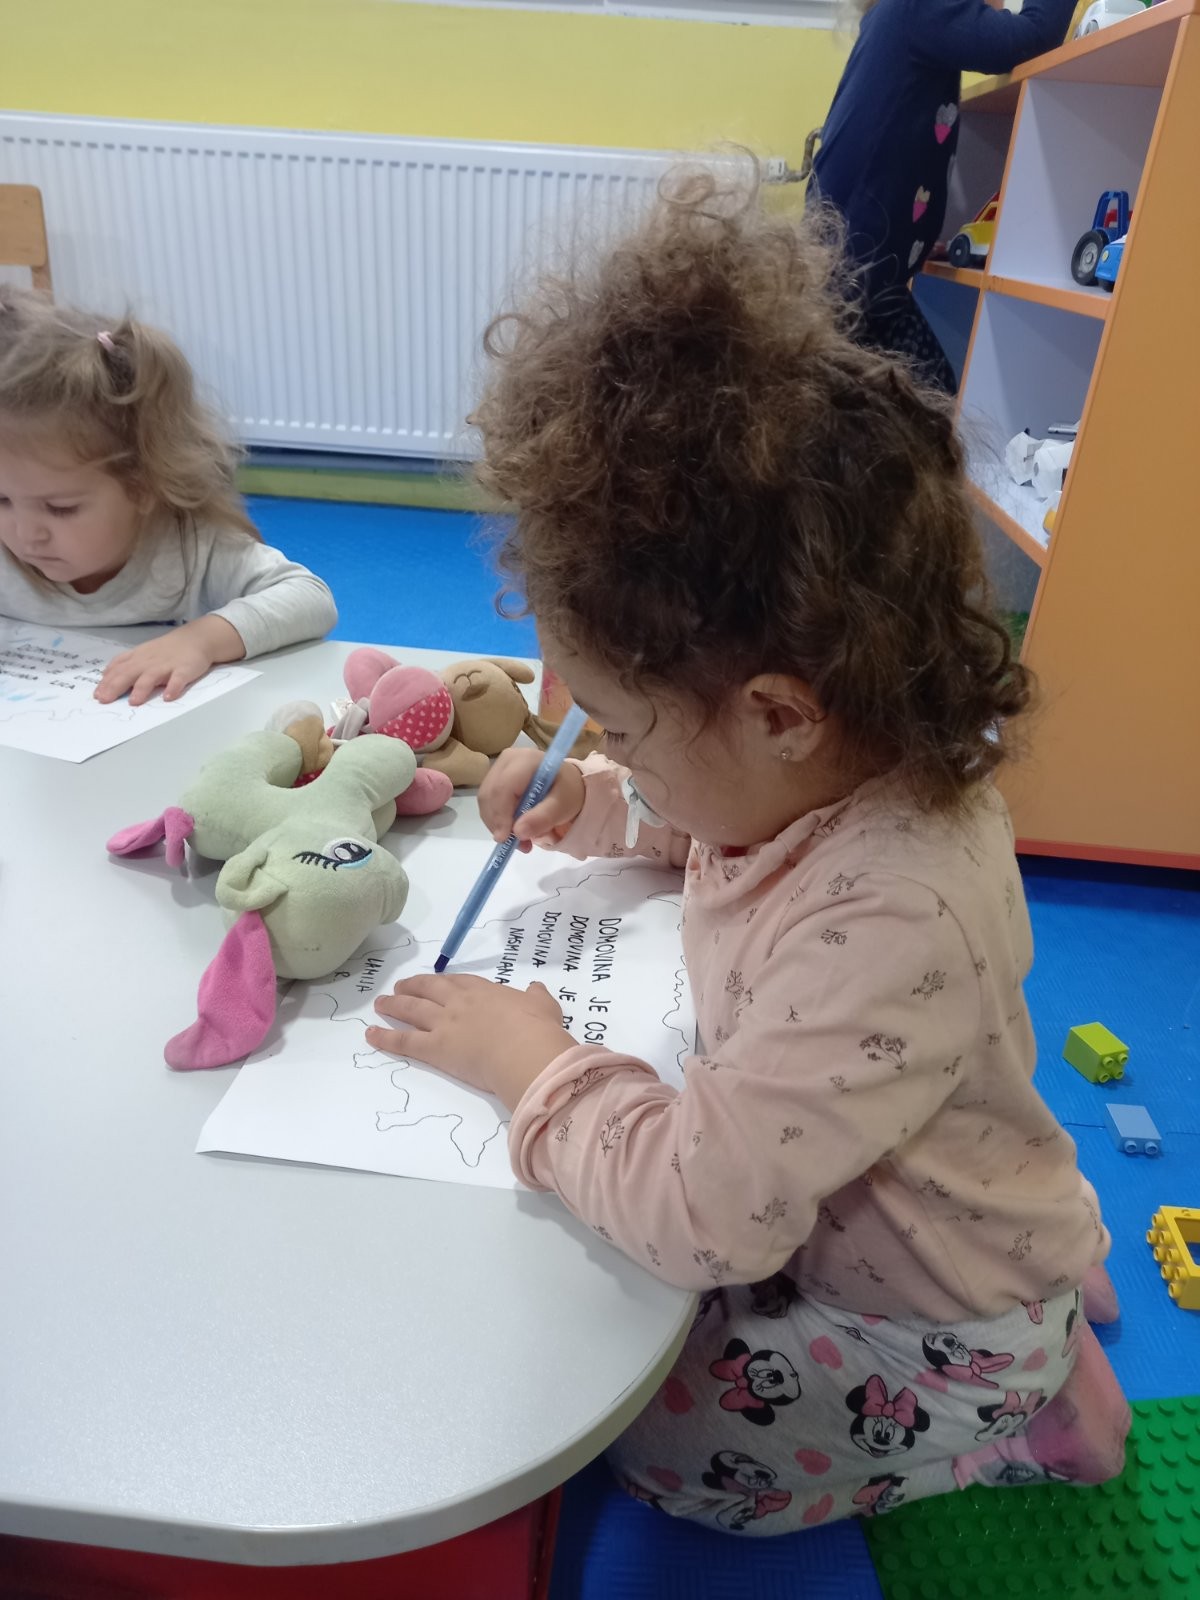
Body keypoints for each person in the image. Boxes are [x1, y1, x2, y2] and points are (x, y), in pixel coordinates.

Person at [366, 166, 1129, 1534]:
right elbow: (732, 821)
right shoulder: (850, 752)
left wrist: (535, 1068)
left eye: (624, 729)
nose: (603, 745)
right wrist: (604, 803)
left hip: (921, 1319)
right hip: (946, 1202)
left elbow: (705, 1216)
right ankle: (1044, 1294)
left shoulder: (888, 915)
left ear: (779, 711)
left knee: (644, 1441)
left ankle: (1022, 1409)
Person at [0, 289, 336, 704]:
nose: (25, 534)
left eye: (60, 508)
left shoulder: (190, 548)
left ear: (143, 485)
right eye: (1, 501)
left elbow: (310, 598)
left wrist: (201, 640)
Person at [808, 0, 1078, 391]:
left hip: (861, 271)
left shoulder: (905, 16)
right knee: (913, 398)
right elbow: (1029, 38)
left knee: (924, 393)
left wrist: (909, 240)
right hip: (855, 279)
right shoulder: (919, 7)